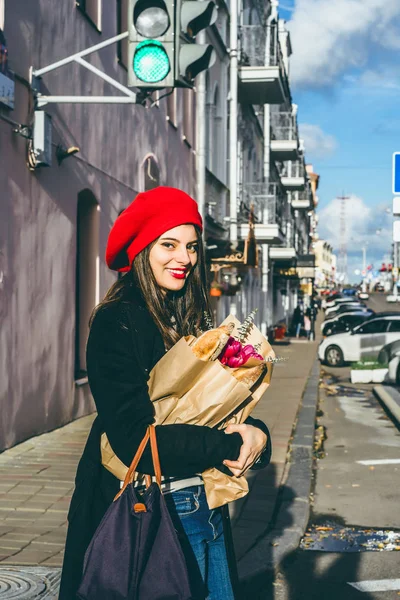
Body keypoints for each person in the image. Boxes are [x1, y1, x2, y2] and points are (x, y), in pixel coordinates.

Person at [59, 187, 271, 600]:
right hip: (152, 514)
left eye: (191, 247)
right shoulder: (116, 323)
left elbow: (222, 411)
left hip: (206, 507)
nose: (184, 259)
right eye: (169, 244)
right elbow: (137, 439)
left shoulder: (189, 317)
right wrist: (229, 443)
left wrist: (257, 434)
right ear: (142, 250)